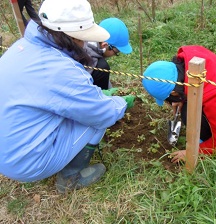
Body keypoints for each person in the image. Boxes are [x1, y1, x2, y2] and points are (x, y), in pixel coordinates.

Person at [0, 0, 134, 193]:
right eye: (83, 38)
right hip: (25, 163)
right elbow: (102, 113)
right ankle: (70, 177)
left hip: (7, 152)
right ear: (72, 36)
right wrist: (120, 102)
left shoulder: (20, 47)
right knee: (96, 120)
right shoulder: (64, 70)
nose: (85, 43)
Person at [142, 45, 216, 163]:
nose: (170, 103)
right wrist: (181, 96)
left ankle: (206, 139)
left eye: (169, 99)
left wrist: (194, 152)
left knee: (188, 113)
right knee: (188, 107)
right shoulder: (190, 58)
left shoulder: (215, 95)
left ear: (174, 92)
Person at [85, 17, 132, 90]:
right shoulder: (91, 61)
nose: (114, 55)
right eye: (116, 52)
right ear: (105, 45)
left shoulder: (82, 40)